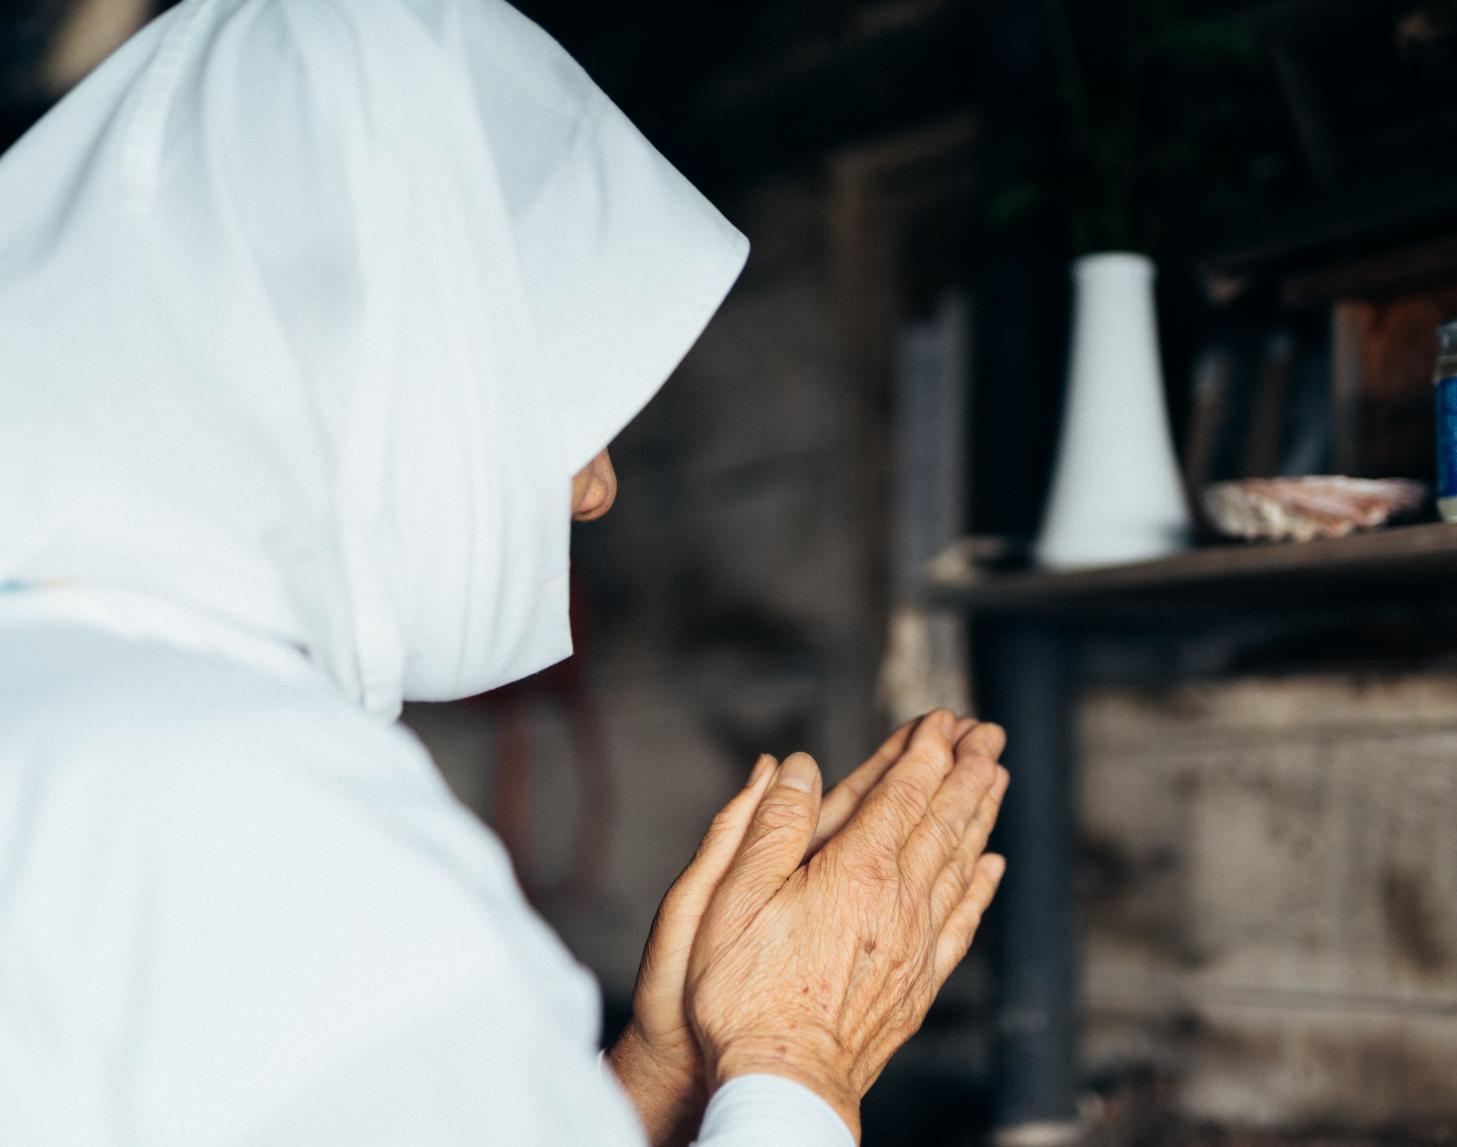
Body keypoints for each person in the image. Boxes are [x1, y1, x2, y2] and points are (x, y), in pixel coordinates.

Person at [0, 1, 1010, 1145]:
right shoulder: (244, 802)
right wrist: (798, 1058)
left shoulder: (67, 691)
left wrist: (659, 1071)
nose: (593, 488)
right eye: (546, 391)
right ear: (373, 367)